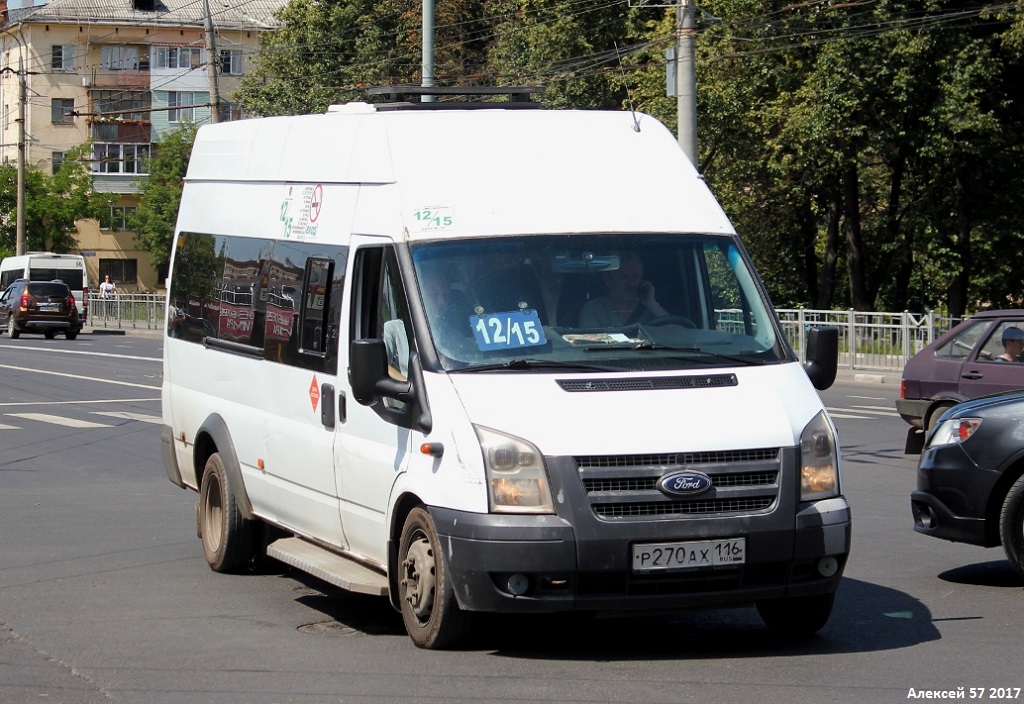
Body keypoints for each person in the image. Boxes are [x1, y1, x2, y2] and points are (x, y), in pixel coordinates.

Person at [577, 252, 667, 327]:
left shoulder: (650, 310)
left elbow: (675, 334)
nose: (631, 283)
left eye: (636, 276)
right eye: (624, 277)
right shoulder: (594, 310)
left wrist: (652, 304)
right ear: (608, 280)